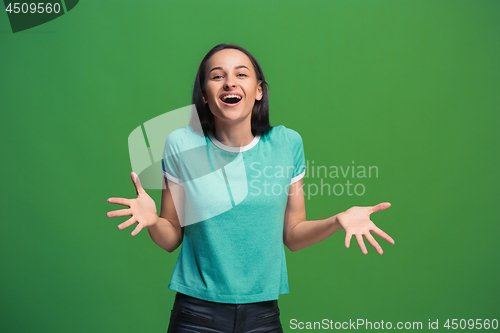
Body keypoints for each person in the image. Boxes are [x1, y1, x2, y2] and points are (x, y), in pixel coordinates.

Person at [106, 44, 395, 333]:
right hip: (196, 315)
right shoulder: (182, 144)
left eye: (241, 74)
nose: (230, 82)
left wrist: (336, 220)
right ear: (205, 95)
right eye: (217, 76)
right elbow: (171, 237)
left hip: (263, 317)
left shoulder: (287, 144)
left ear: (258, 90)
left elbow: (293, 235)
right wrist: (153, 221)